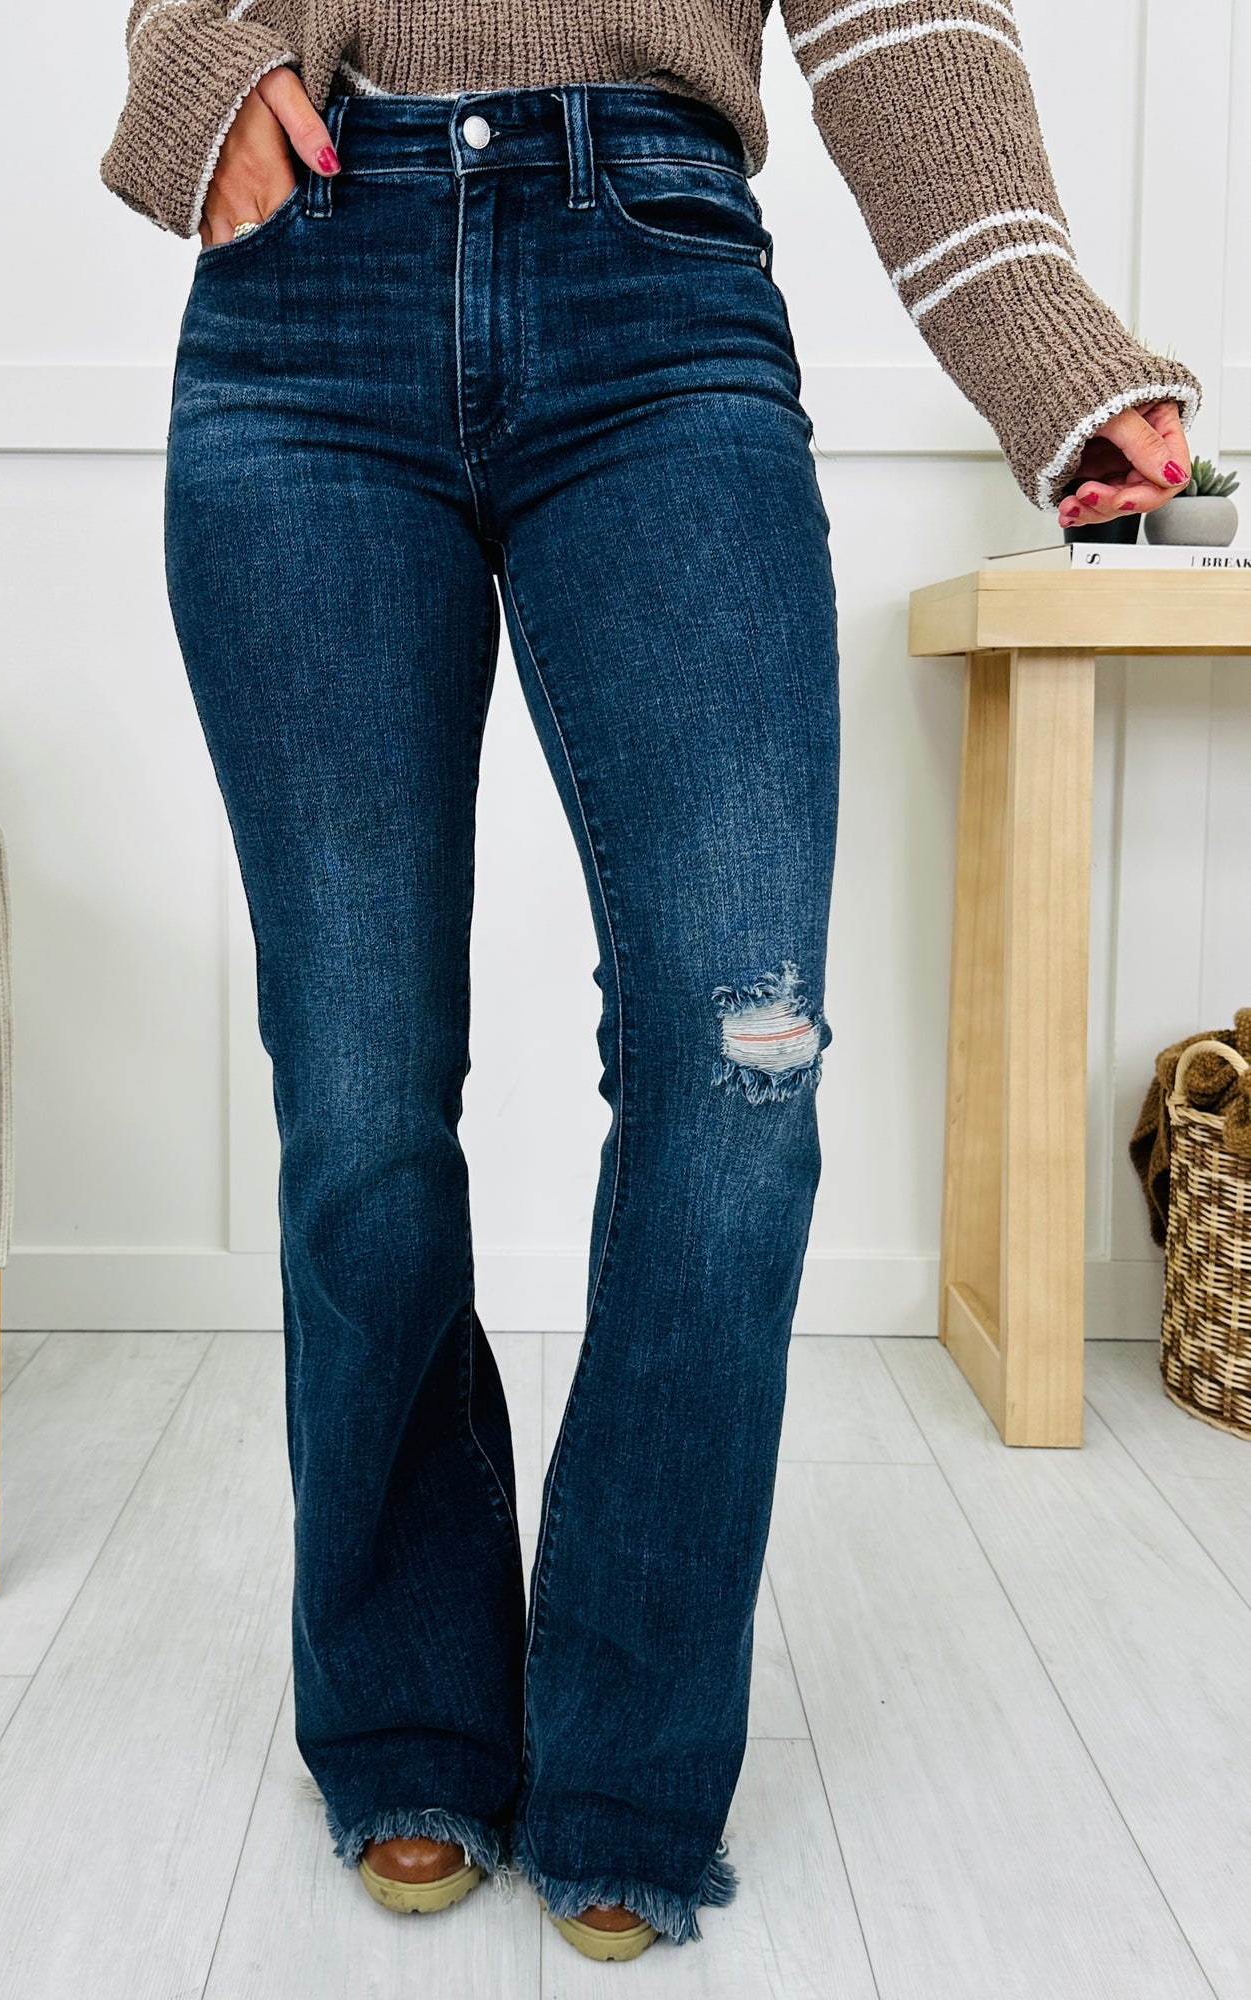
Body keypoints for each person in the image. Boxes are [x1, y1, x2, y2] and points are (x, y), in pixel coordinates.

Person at [102, 1, 1197, 1964]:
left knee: (741, 1062)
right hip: (306, 308)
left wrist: (1047, 347)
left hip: (657, 295)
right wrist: (202, 64)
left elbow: (903, 20)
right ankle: (410, 1706)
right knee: (358, 1094)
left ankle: (631, 1746)